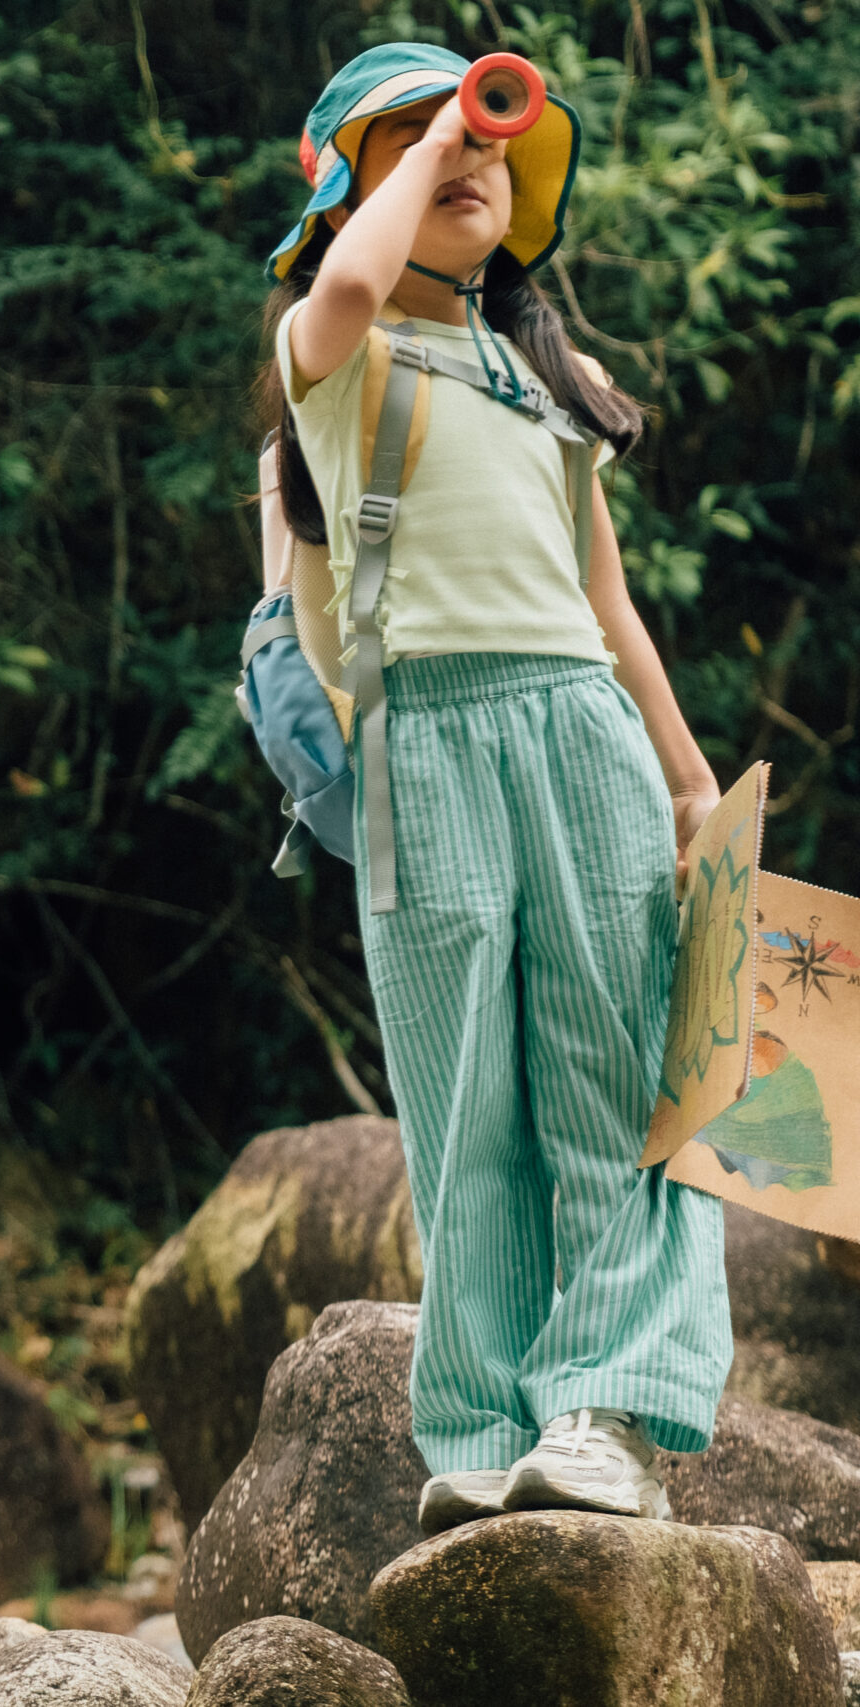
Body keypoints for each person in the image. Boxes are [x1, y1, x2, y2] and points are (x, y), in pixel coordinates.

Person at [262, 43, 731, 1535]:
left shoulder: (545, 378)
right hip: (428, 740)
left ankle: (606, 1410)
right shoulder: (330, 349)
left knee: (613, 1072)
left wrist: (689, 774)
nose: (463, 161)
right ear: (348, 185)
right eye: (413, 143)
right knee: (466, 1098)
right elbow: (345, 284)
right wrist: (415, 152)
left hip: (578, 726)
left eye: (482, 146)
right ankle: (479, 1420)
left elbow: (606, 594)